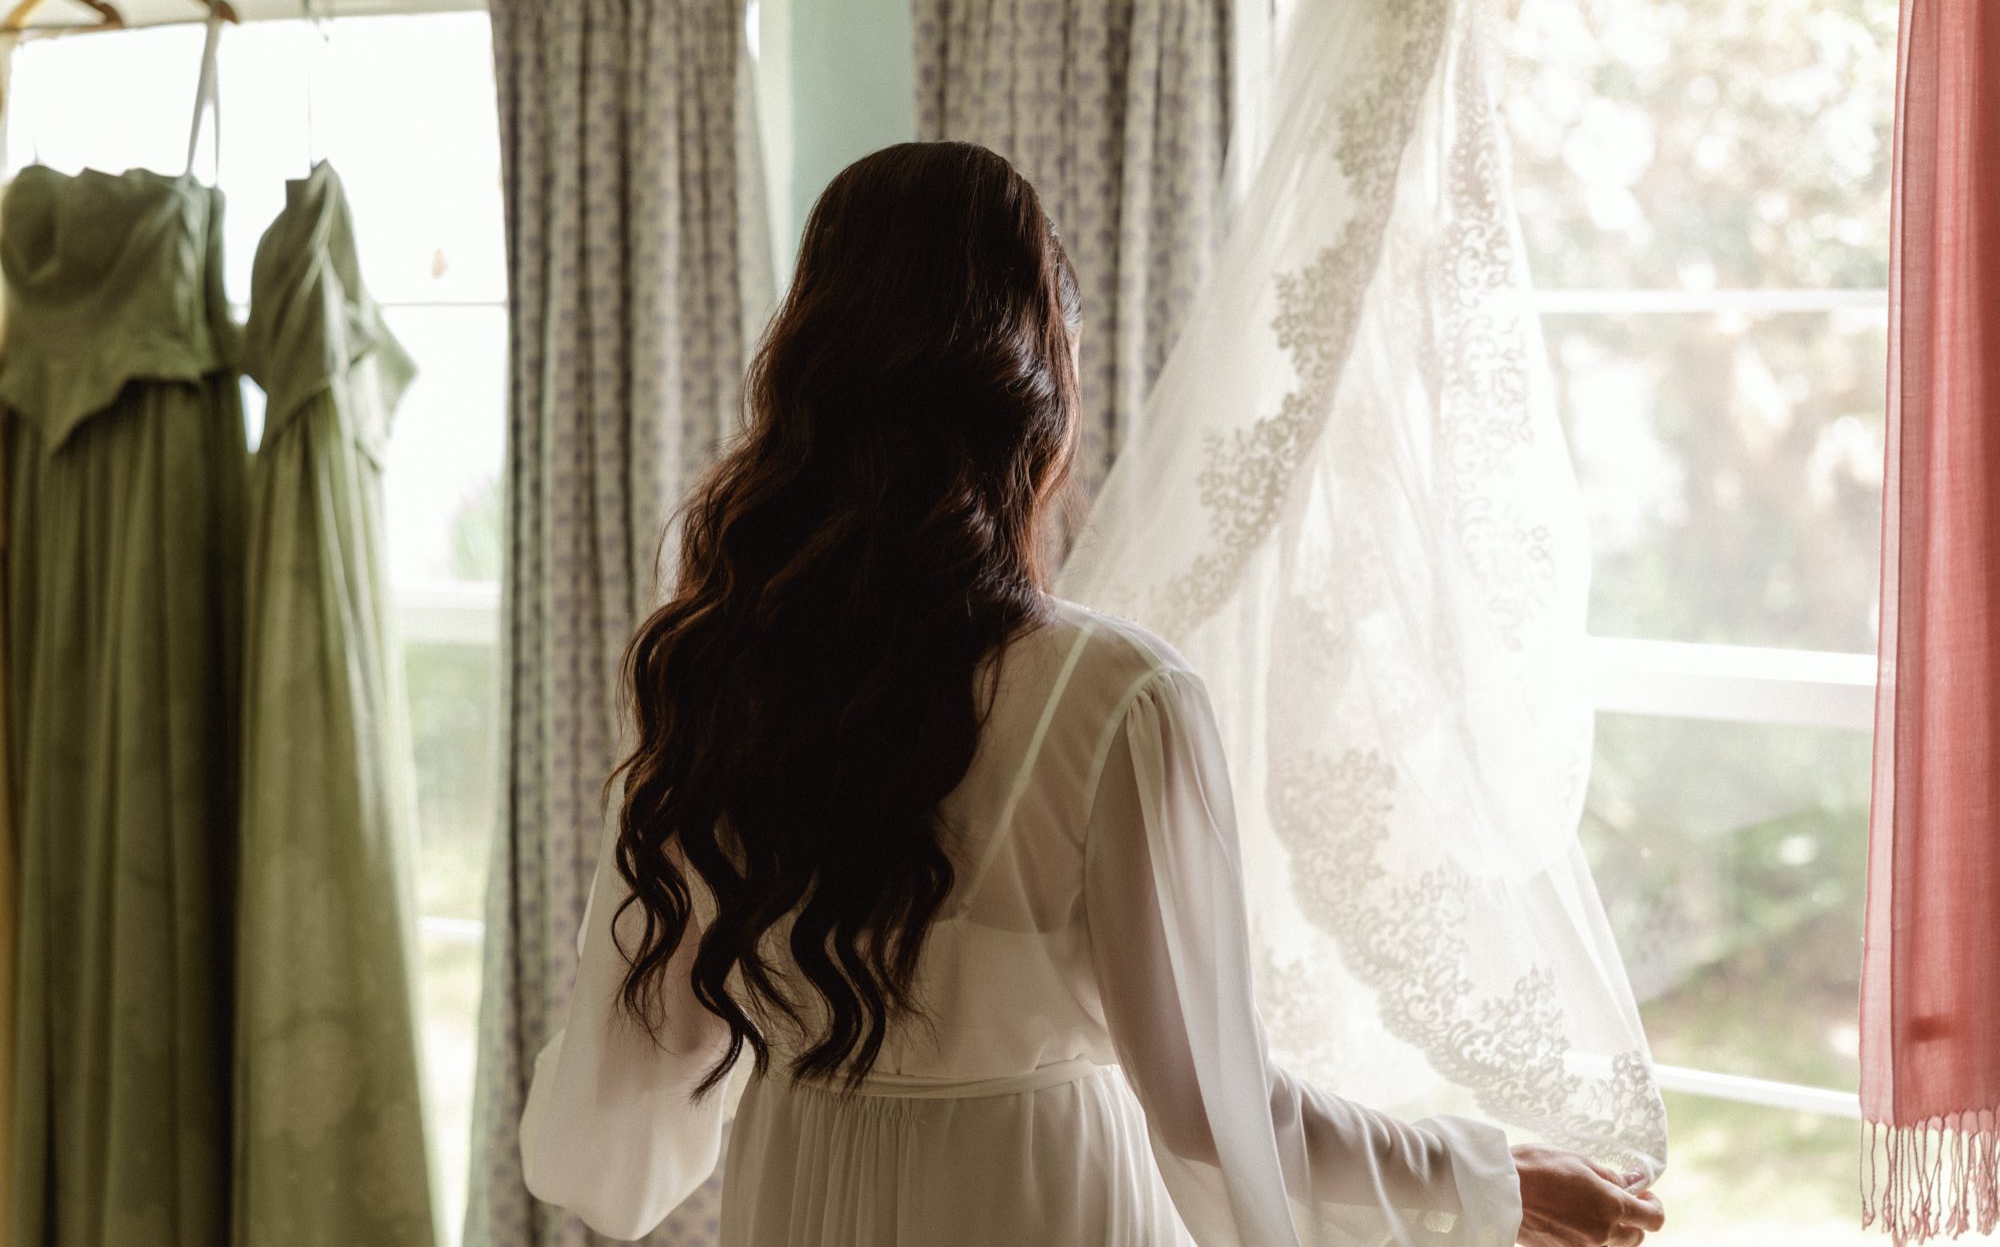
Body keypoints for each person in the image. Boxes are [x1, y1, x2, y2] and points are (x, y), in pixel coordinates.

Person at [517, 141, 1669, 1247]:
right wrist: (1486, 1183)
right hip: (1042, 1203)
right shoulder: (1119, 696)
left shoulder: (717, 675)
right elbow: (1214, 1110)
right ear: (1036, 391)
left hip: (800, 1193)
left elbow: (620, 1111)